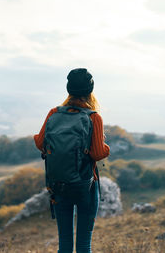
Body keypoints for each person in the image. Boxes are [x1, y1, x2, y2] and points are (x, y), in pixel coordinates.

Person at [34, 68, 110, 253]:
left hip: (59, 185)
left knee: (65, 245)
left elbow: (39, 142)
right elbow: (98, 153)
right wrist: (106, 147)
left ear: (69, 90)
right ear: (89, 91)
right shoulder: (93, 117)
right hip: (86, 186)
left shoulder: (54, 113)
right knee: (84, 245)